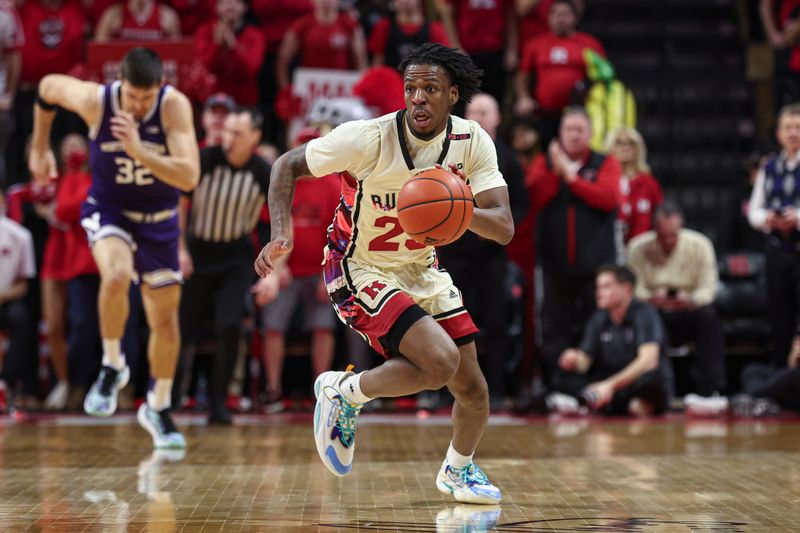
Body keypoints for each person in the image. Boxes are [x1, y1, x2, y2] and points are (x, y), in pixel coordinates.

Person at [254, 43, 512, 504]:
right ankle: (344, 391)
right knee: (439, 362)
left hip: (421, 266)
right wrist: (281, 231)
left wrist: (455, 205)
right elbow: (286, 165)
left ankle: (458, 470)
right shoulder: (367, 138)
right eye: (411, 87)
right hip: (357, 265)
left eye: (430, 89)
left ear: (452, 94)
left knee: (474, 391)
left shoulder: (471, 141)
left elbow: (504, 227)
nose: (417, 98)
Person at [29, 48, 200, 447]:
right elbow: (47, 88)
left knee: (166, 323)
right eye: (133, 97)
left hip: (159, 221)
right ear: (121, 85)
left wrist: (140, 149)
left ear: (160, 87)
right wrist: (39, 147)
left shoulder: (174, 107)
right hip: (111, 211)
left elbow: (189, 176)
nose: (139, 105)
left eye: (147, 98)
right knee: (117, 275)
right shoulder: (96, 101)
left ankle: (157, 407)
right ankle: (112, 366)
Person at [175, 108, 270, 425]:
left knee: (230, 326)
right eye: (226, 131)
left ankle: (219, 403)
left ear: (255, 138)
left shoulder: (263, 172)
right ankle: (168, 397)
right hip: (197, 253)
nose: (228, 138)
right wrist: (179, 249)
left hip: (235, 258)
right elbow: (179, 202)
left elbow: (282, 222)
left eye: (237, 133)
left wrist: (277, 272)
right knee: (181, 329)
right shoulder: (204, 159)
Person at [436, 93, 528, 409]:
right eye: (473, 112)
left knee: (496, 321)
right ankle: (440, 390)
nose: (479, 118)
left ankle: (498, 389)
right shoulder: (448, 155)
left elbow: (522, 207)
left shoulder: (509, 159)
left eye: (485, 112)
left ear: (498, 117)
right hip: (453, 253)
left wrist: (495, 232)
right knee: (446, 321)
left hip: (491, 257)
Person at [529, 106, 621, 388]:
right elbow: (534, 196)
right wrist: (557, 173)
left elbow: (608, 198)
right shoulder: (545, 163)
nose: (574, 135)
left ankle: (595, 383)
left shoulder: (606, 163)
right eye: (569, 129)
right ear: (560, 133)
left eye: (580, 130)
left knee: (595, 326)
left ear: (590, 134)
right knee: (555, 328)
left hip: (596, 268)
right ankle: (559, 385)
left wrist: (573, 179)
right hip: (555, 265)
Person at [257, 131, 340, 413]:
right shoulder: (283, 181)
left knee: (323, 326)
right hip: (287, 272)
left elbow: (340, 235)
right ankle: (273, 389)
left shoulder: (332, 184)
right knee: (273, 326)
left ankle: (321, 391)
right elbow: (272, 225)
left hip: (320, 271)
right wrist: (278, 268)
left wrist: (326, 275)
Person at [627, 201, 727, 397]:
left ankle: (713, 390)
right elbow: (631, 288)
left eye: (673, 235)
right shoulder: (637, 247)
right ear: (655, 230)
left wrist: (691, 300)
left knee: (709, 317)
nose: (669, 241)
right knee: (646, 318)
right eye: (663, 236)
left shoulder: (700, 244)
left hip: (689, 310)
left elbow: (708, 287)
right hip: (654, 311)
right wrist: (651, 298)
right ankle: (657, 392)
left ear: (681, 228)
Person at [552, 265, 673, 416]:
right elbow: (585, 361)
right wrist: (574, 359)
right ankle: (603, 402)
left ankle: (624, 404)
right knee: (560, 378)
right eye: (598, 287)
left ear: (626, 288)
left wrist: (610, 385)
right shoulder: (598, 318)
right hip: (609, 382)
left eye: (606, 287)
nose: (599, 293)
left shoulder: (645, 313)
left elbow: (648, 361)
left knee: (652, 378)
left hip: (632, 381)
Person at [747, 103, 800, 367]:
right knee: (779, 315)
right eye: (788, 128)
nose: (793, 133)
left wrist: (797, 218)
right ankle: (781, 373)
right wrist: (767, 219)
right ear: (779, 133)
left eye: (798, 128)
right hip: (777, 249)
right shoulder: (769, 167)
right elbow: (754, 210)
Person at [515, 0, 604, 146]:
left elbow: (602, 77)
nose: (561, 19)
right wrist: (524, 97)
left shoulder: (590, 44)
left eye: (565, 15)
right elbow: (523, 74)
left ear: (574, 18)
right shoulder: (535, 44)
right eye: (556, 15)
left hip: (579, 111)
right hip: (545, 113)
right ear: (549, 18)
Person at [275, 0, 368, 90]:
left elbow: (361, 63)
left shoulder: (351, 26)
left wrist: (362, 90)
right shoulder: (301, 25)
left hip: (341, 87)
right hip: (309, 87)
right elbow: (282, 61)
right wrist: (285, 90)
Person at [0, 188, 37, 409]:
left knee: (23, 321)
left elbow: (23, 284)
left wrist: (3, 295)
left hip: (7, 298)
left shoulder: (20, 235)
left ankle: (5, 381)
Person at [195, 0, 266, 106]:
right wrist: (217, 45)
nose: (230, 6)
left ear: (245, 7)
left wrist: (233, 47)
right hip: (211, 100)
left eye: (236, 2)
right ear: (216, 7)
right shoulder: (204, 32)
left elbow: (250, 69)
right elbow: (204, 65)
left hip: (243, 101)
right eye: (224, 2)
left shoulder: (255, 35)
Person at [605, 126, 663, 251]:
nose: (626, 147)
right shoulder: (603, 181)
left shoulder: (649, 184)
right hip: (609, 250)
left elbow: (660, 218)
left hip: (643, 252)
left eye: (631, 143)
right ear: (610, 147)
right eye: (619, 143)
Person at [368, 0, 450, 69]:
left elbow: (443, 64)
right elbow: (377, 64)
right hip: (392, 83)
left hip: (423, 83)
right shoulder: (383, 27)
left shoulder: (435, 29)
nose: (406, 1)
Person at [94, 0, 180, 42]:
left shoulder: (168, 17)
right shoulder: (113, 15)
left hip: (154, 73)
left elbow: (177, 54)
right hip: (122, 72)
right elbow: (98, 52)